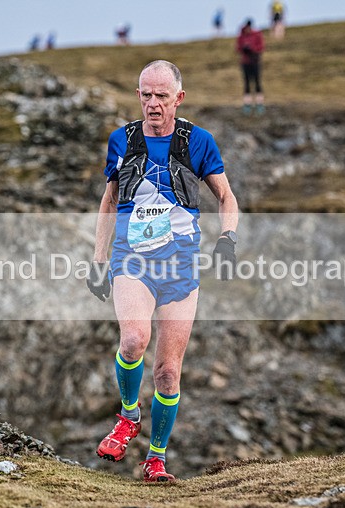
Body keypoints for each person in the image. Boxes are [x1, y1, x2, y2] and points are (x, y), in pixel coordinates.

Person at [88, 60, 238, 483]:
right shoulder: (122, 141)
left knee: (168, 373)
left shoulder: (198, 142)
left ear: (179, 98)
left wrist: (227, 239)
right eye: (145, 95)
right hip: (131, 258)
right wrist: (99, 262)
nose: (153, 103)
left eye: (162, 96)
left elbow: (227, 197)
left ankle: (156, 459)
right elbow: (109, 201)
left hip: (181, 265)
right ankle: (128, 415)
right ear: (138, 95)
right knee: (134, 339)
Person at [236, 19, 265, 115]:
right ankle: (247, 104)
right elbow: (238, 47)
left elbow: (261, 47)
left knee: (257, 82)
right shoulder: (242, 35)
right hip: (245, 62)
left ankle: (259, 103)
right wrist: (244, 49)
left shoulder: (256, 34)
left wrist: (252, 49)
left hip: (255, 61)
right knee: (247, 83)